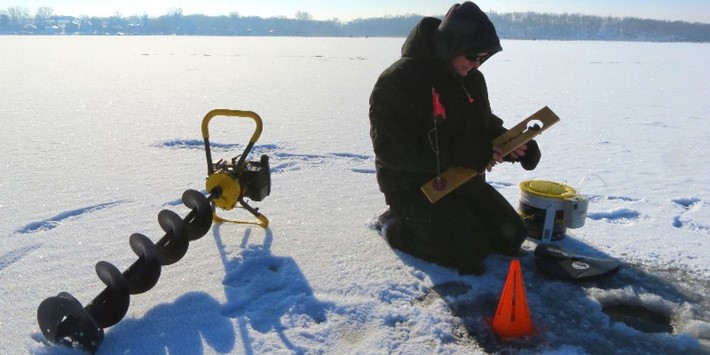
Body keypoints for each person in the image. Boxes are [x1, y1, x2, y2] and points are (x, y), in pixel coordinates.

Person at [369, 2, 541, 275]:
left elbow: (484, 125)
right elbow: (391, 151)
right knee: (469, 254)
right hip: (414, 187)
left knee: (510, 237)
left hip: (462, 180)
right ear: (451, 45)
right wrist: (469, 154)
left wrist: (513, 144)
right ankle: (395, 225)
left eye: (482, 58)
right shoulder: (399, 80)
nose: (476, 64)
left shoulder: (471, 79)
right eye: (472, 56)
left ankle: (455, 223)